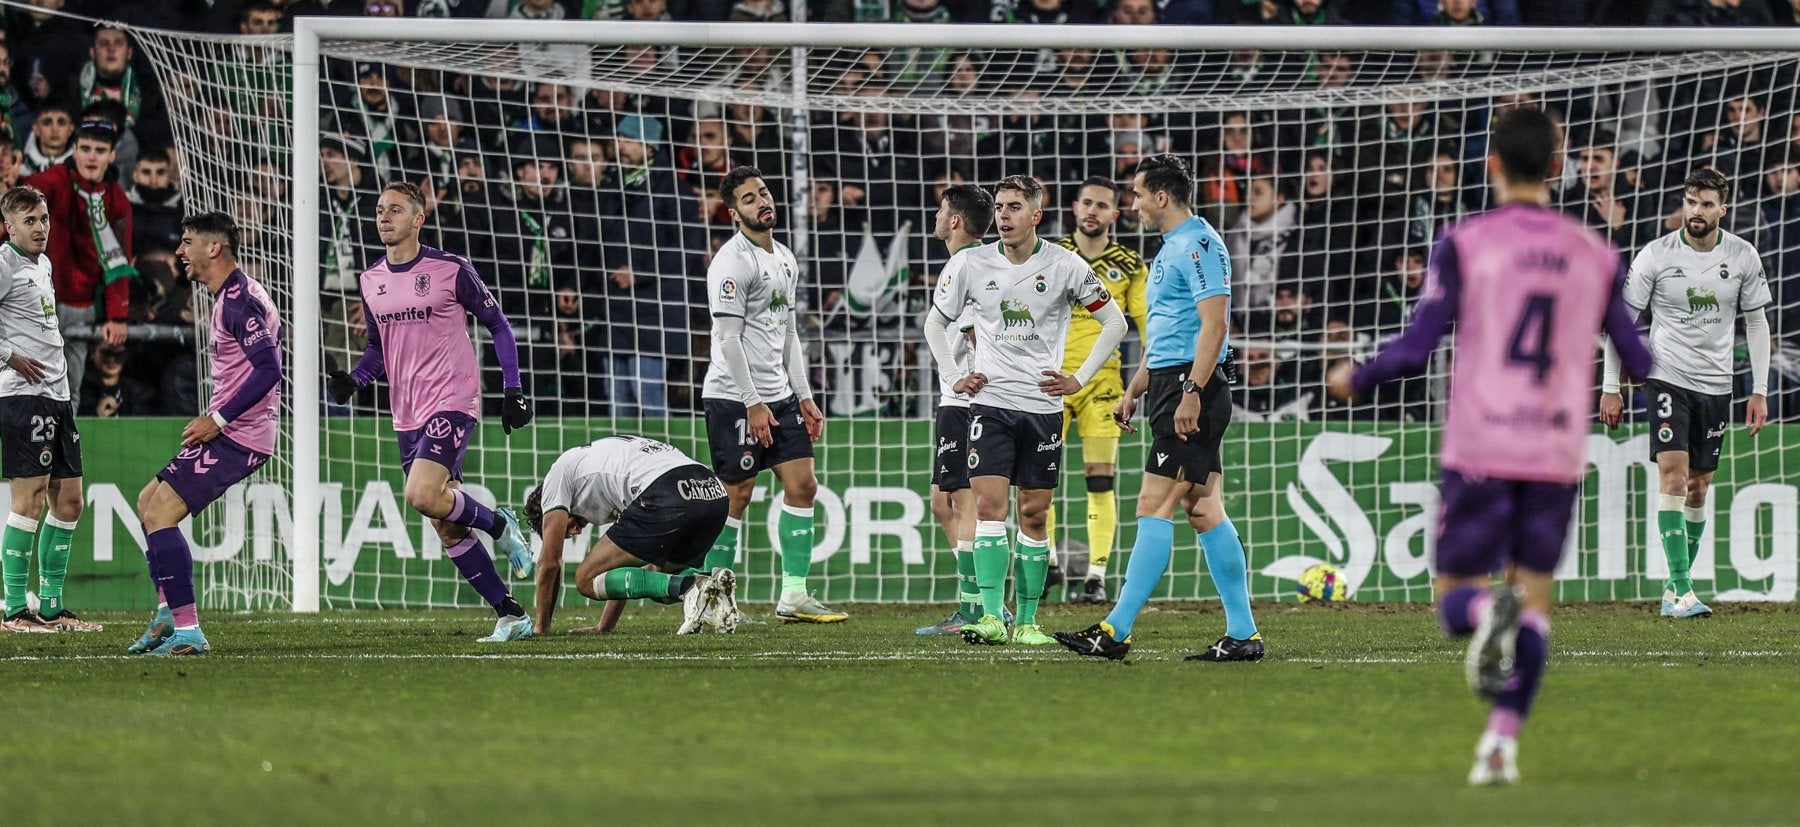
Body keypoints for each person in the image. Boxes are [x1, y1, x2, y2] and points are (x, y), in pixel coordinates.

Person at [1326, 107, 1654, 785]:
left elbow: (1418, 348)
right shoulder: (1594, 252)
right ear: (1557, 167)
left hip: (1482, 445)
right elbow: (1638, 359)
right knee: (1534, 603)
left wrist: (1355, 376)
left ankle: (1483, 611)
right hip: (1556, 453)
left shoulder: (1467, 242)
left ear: (1491, 164)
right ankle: (1499, 743)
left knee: (1455, 598)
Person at [1053, 153, 1263, 663]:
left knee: (1153, 503)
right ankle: (1243, 634)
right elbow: (1168, 330)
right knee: (1204, 509)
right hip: (1171, 383)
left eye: (1139, 195)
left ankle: (1115, 629)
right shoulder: (1169, 248)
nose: (1134, 204)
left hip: (1194, 387)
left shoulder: (1200, 244)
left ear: (1162, 196)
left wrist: (1193, 390)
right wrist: (1135, 387)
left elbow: (1214, 325)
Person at [325, 181, 537, 643]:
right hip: (406, 412)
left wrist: (513, 389)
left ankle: (501, 523)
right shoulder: (371, 279)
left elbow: (498, 325)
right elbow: (377, 350)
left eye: (396, 210)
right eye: (380, 209)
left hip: (453, 399)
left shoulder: (450, 268)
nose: (385, 217)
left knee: (420, 494)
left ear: (418, 219)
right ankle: (510, 613)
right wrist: (355, 380)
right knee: (445, 522)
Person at [922, 175, 1126, 646]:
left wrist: (1078, 378)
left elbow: (1113, 322)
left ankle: (1029, 621)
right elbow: (936, 324)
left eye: (1014, 207)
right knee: (990, 509)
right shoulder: (970, 263)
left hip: (1042, 407)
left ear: (1036, 215)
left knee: (1034, 514)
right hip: (990, 405)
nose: (1003, 216)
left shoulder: (1067, 265)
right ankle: (994, 615)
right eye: (999, 207)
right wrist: (954, 374)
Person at [1598, 167, 1772, 619]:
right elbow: (1622, 321)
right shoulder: (1655, 255)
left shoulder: (1743, 256)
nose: (1697, 211)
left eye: (1707, 204)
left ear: (1723, 209)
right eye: (1692, 201)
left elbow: (1756, 323)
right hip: (1666, 377)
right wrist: (1610, 386)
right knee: (1674, 476)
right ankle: (1683, 588)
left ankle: (1676, 593)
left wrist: (1759, 390)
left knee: (1698, 488)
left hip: (1717, 384)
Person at [127, 213, 283, 656]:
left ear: (214, 249)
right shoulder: (232, 295)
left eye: (188, 242)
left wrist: (218, 419)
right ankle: (165, 615)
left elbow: (269, 370)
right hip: (236, 429)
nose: (180, 251)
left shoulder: (239, 302)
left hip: (241, 434)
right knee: (146, 501)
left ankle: (188, 630)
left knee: (160, 514)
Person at [699, 165, 846, 625]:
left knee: (803, 486)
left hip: (779, 396)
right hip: (733, 395)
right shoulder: (731, 263)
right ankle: (711, 599)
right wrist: (752, 401)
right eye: (749, 198)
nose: (762, 201)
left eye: (764, 192)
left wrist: (802, 394)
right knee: (736, 495)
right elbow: (726, 340)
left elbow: (788, 333)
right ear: (733, 212)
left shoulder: (784, 258)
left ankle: (794, 596)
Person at [0, 185, 99, 633]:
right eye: (30, 221)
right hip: (22, 394)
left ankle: (54, 608)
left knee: (71, 500)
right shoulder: (3, 263)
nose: (40, 228)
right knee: (30, 499)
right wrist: (8, 355)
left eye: (43, 219)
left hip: (57, 396)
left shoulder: (43, 264)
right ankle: (16, 610)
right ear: (9, 227)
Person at [524, 435, 736, 637]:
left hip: (667, 491)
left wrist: (542, 627)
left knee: (585, 578)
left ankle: (690, 587)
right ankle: (712, 582)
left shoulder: (556, 478)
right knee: (656, 575)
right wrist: (604, 627)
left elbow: (550, 563)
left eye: (567, 530)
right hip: (713, 492)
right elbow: (623, 568)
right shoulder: (600, 469)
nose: (575, 531)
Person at [1049, 176, 1148, 604]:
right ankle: (1047, 562)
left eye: (1102, 205)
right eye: (1086, 203)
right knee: (1039, 480)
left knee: (1100, 479)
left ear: (1115, 214)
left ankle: (1095, 576)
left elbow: (1148, 331)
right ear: (1074, 207)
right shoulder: (1048, 255)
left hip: (1104, 384)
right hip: (1048, 380)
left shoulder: (1130, 265)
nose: (1093, 211)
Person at [914, 183, 992, 636]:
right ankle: (978, 601)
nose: (937, 216)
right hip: (956, 398)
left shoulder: (965, 263)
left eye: (942, 210)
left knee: (964, 501)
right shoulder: (970, 261)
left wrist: (967, 377)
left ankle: (977, 607)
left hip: (967, 401)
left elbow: (969, 331)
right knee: (943, 503)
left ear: (956, 220)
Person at [23, 117, 134, 399]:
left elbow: (119, 261)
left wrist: (117, 315)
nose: (91, 156)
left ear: (112, 155)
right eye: (85, 148)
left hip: (78, 306)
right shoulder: (51, 183)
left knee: (69, 390)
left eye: (99, 150)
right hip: (35, 300)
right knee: (25, 385)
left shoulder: (117, 201)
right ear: (74, 150)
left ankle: (64, 444)